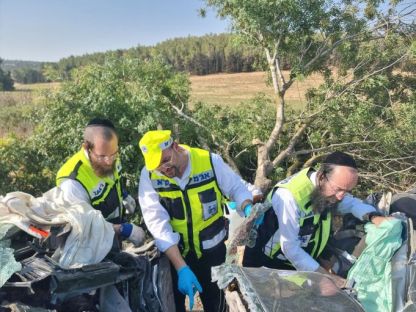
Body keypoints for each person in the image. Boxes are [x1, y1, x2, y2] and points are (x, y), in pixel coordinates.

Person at [138, 130, 253, 312]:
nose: (163, 169)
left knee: (216, 304)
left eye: (166, 160)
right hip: (175, 252)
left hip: (212, 253)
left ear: (175, 146)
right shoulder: (150, 176)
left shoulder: (209, 162)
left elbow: (236, 188)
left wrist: (247, 206)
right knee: (173, 305)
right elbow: (157, 223)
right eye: (157, 166)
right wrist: (181, 267)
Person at [242, 151, 389, 279]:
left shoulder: (327, 190)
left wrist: (374, 217)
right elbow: (290, 247)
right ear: (321, 176)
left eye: (346, 191)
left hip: (299, 264)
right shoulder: (289, 196)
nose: (340, 196)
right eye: (338, 189)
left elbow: (351, 203)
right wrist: (324, 277)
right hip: (267, 266)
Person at [56, 118, 144, 246]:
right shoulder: (72, 182)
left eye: (113, 154)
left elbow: (114, 180)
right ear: (86, 148)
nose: (109, 161)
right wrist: (124, 230)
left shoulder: (111, 155)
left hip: (115, 231)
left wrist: (124, 196)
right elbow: (83, 229)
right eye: (102, 157)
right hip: (93, 247)